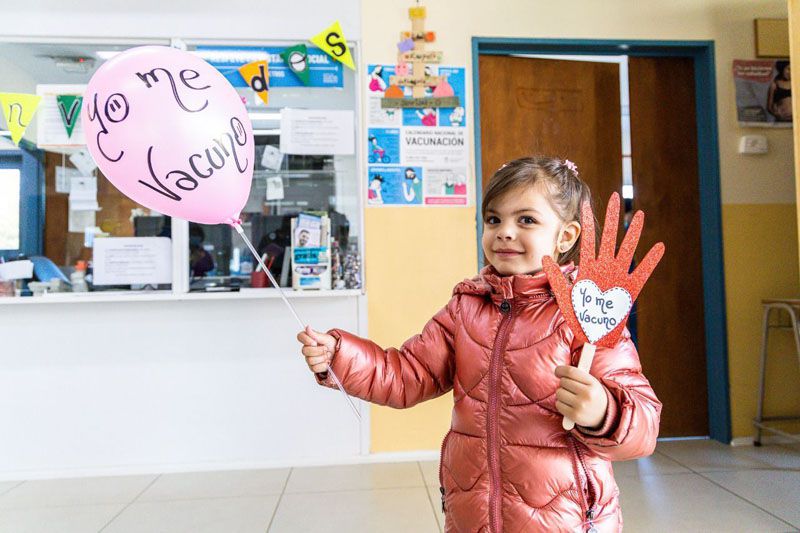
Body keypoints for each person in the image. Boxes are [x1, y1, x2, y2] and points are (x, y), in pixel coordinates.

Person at [297, 156, 661, 532]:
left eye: (526, 220)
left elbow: (644, 427)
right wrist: (340, 356)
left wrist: (605, 413)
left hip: (565, 520)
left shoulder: (584, 315)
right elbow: (408, 374)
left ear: (565, 236)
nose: (504, 232)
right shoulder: (465, 307)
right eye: (493, 219)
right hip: (473, 512)